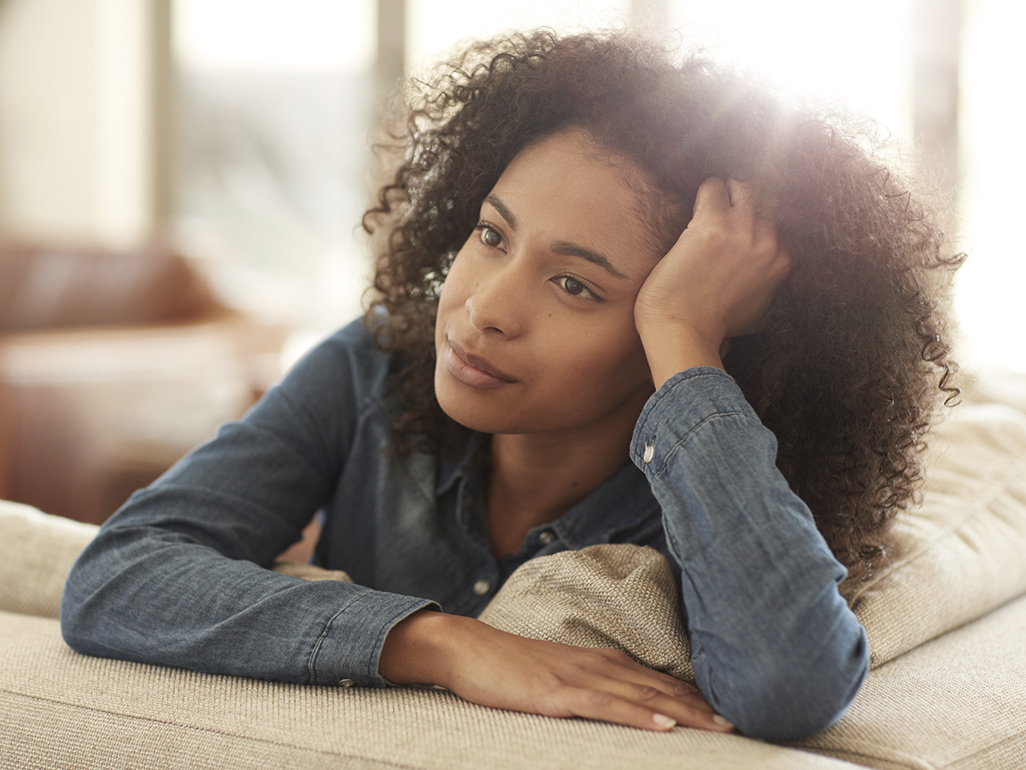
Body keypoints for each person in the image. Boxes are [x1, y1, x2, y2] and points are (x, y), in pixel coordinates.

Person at [60, 30, 962, 741]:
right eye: (493, 235)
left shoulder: (718, 473)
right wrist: (442, 643)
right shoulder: (373, 367)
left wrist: (685, 343)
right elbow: (118, 575)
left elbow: (788, 681)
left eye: (576, 285)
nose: (485, 308)